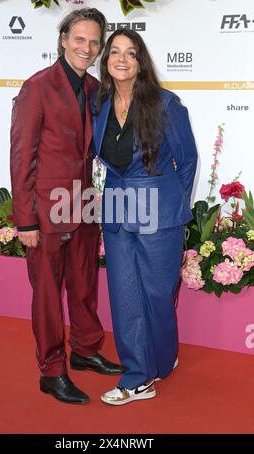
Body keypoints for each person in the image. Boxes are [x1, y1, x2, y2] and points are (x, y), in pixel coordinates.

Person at [10, 8, 123, 406]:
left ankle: (86, 348)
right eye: (80, 40)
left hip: (84, 203)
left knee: (83, 283)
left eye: (94, 42)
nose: (87, 48)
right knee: (46, 292)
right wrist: (25, 220)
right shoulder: (37, 87)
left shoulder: (96, 89)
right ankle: (52, 370)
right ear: (63, 40)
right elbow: (22, 157)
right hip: (45, 207)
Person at [92, 28, 198, 405]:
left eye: (131, 53)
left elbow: (187, 161)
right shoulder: (100, 105)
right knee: (125, 297)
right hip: (118, 211)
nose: (122, 58)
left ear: (140, 62)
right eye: (114, 51)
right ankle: (138, 376)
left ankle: (163, 359)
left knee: (157, 294)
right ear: (106, 61)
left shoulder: (166, 104)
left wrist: (171, 203)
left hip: (159, 214)